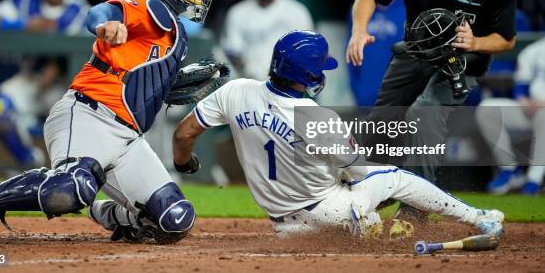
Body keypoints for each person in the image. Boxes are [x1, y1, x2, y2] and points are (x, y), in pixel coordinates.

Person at [0, 0, 216, 244]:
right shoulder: (149, 6)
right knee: (68, 191)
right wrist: (105, 25)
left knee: (175, 220)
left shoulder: (177, 32)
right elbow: (99, 12)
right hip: (88, 115)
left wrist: (165, 85)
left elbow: (141, 78)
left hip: (128, 139)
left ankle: (110, 215)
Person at [135, 30, 501, 238]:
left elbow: (183, 135)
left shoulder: (236, 91)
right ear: (309, 76)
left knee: (351, 193)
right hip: (330, 210)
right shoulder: (317, 117)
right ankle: (477, 217)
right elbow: (355, 173)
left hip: (283, 222)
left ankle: (366, 226)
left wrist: (184, 165)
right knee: (393, 178)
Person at [345, 0, 517, 218]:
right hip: (415, 50)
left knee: (424, 114)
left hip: (461, 61)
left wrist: (476, 41)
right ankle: (360, 194)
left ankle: (415, 209)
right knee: (379, 126)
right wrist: (358, 29)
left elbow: (506, 40)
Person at [0, 0, 90, 168]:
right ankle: (29, 162)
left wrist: (56, 67)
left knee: (80, 124)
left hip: (63, 84)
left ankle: (69, 171)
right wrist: (23, 26)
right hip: (30, 78)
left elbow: (86, 45)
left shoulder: (78, 6)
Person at [221, 0, 313, 80]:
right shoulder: (237, 12)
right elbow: (232, 51)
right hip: (249, 83)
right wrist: (249, 74)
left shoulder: (297, 12)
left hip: (285, 84)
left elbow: (307, 51)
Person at [476, 36, 545, 196]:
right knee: (487, 109)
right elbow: (521, 86)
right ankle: (509, 170)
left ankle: (534, 179)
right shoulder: (535, 50)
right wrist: (523, 101)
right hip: (532, 109)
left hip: (542, 110)